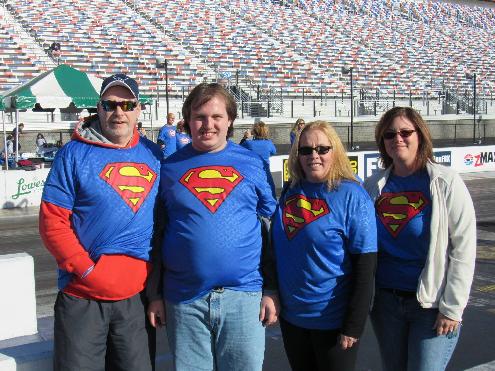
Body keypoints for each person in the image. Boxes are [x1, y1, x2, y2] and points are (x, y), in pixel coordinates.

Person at [147, 83, 279, 371]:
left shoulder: (252, 163)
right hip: (184, 301)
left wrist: (271, 288)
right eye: (200, 117)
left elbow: (272, 230)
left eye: (216, 117)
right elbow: (156, 234)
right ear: (187, 121)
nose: (208, 124)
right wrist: (155, 294)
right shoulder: (167, 169)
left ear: (229, 120)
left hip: (244, 298)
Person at [39, 73, 162, 370]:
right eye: (110, 104)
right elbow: (52, 222)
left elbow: (165, 224)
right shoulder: (72, 154)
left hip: (136, 298)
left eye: (127, 104)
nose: (118, 112)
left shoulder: (155, 155)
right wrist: (86, 270)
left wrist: (157, 289)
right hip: (81, 297)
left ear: (138, 109)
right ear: (99, 108)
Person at [364, 107, 476, 371]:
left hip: (430, 304)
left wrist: (452, 308)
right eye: (390, 134)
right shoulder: (373, 185)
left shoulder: (445, 182)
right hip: (385, 303)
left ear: (421, 136)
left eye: (405, 132)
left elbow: (464, 248)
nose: (397, 139)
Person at [272, 120, 377, 371]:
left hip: (332, 321)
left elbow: (366, 266)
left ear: (335, 151)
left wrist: (353, 325)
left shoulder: (352, 195)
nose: (313, 156)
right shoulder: (291, 190)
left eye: (322, 149)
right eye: (306, 150)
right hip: (292, 318)